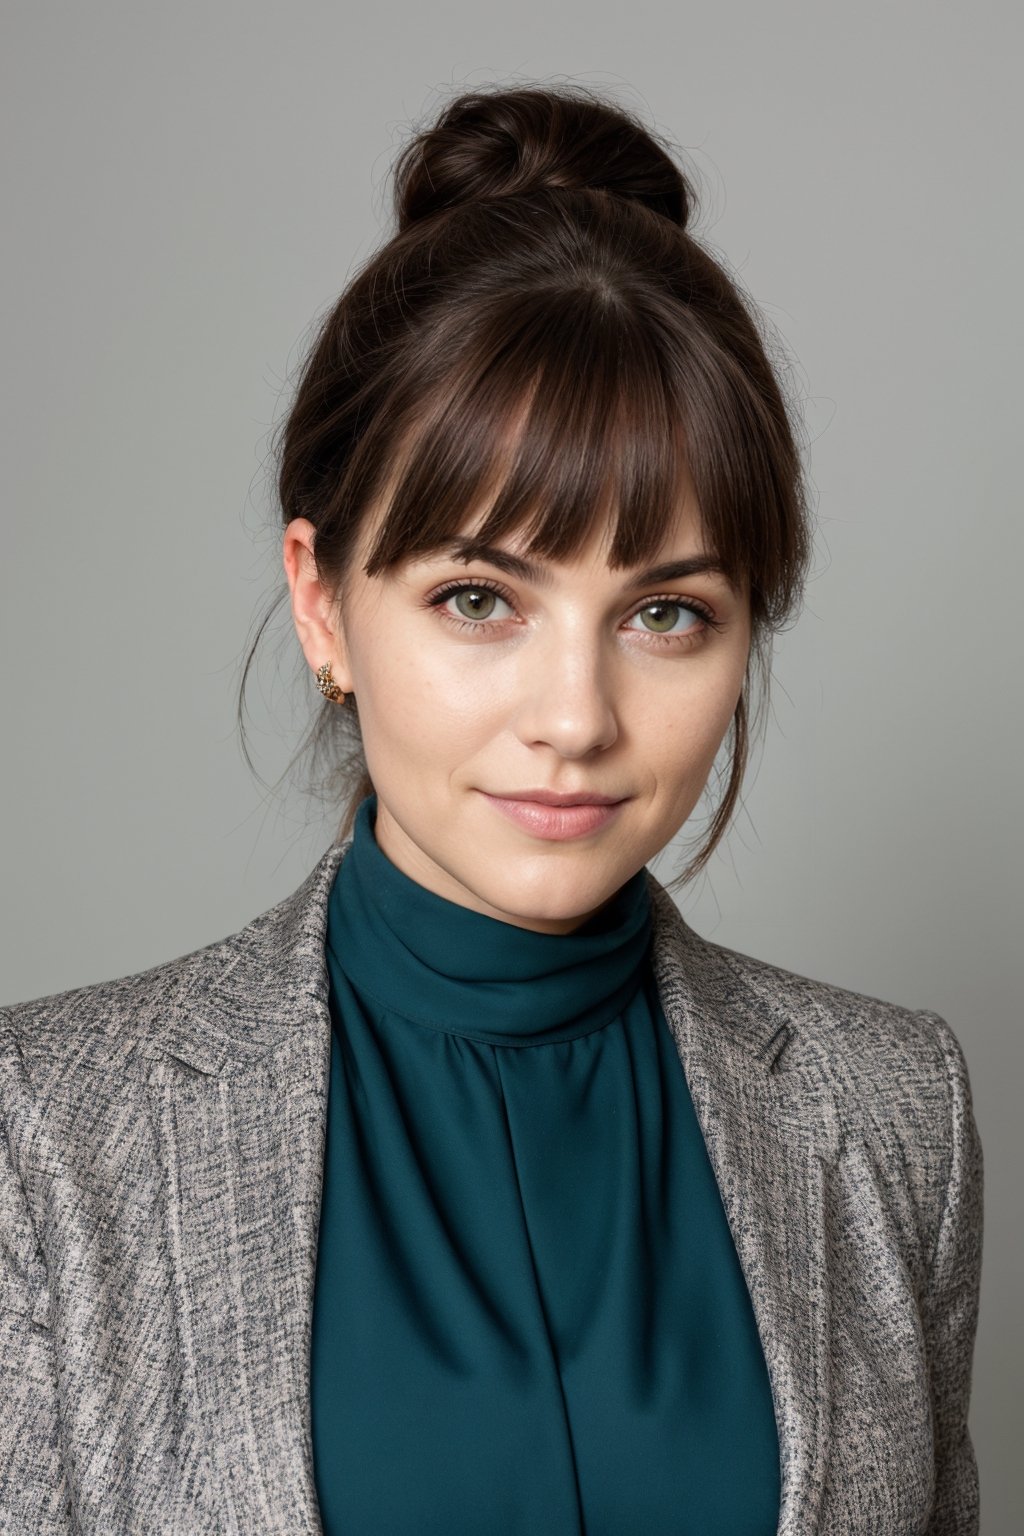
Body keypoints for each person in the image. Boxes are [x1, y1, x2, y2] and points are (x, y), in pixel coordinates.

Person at [0, 83, 982, 1536]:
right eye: (479, 599)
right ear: (322, 602)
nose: (575, 717)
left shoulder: (896, 1113)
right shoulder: (44, 1137)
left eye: (664, 613)